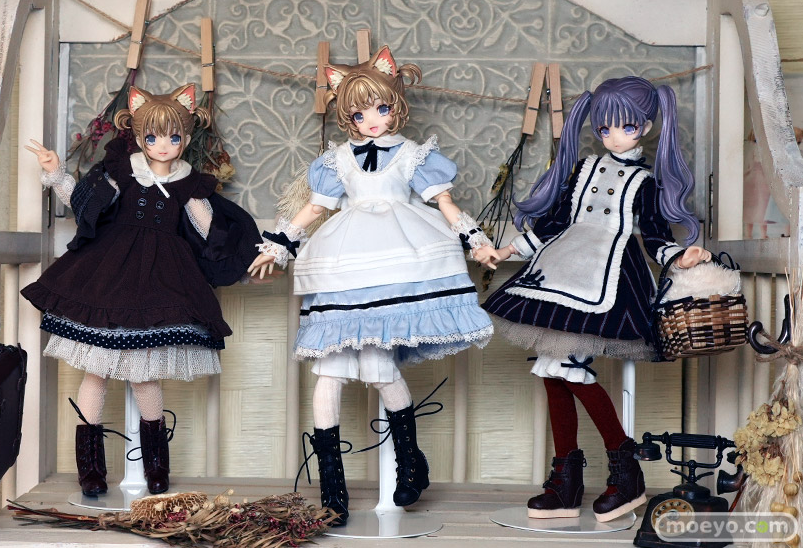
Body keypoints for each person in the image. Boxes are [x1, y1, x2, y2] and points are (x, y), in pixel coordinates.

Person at [249, 45, 496, 525]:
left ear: (396, 105)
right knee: (328, 373)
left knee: (380, 366)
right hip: (345, 265)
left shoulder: (413, 155)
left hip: (400, 259)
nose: (372, 121)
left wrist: (475, 240)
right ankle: (332, 488)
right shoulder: (337, 160)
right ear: (348, 117)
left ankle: (410, 461)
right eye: (360, 114)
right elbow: (315, 208)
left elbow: (444, 203)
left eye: (381, 109)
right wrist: (277, 246)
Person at [478, 76, 711, 522]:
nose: (613, 136)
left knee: (570, 369)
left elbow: (655, 237)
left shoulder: (645, 182)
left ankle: (625, 470)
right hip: (560, 269)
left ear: (645, 127)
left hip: (610, 277)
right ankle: (566, 481)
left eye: (624, 127)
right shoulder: (584, 168)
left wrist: (679, 257)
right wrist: (507, 251)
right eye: (604, 128)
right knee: (552, 372)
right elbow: (553, 223)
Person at [22, 83, 261, 497]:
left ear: (186, 138)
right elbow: (84, 204)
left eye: (173, 137)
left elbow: (212, 234)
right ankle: (90, 469)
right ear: (138, 136)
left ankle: (156, 466)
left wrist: (247, 262)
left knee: (145, 375)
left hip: (160, 282)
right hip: (108, 276)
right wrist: (56, 173)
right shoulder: (122, 172)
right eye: (152, 137)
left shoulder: (189, 185)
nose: (163, 145)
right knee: (96, 371)